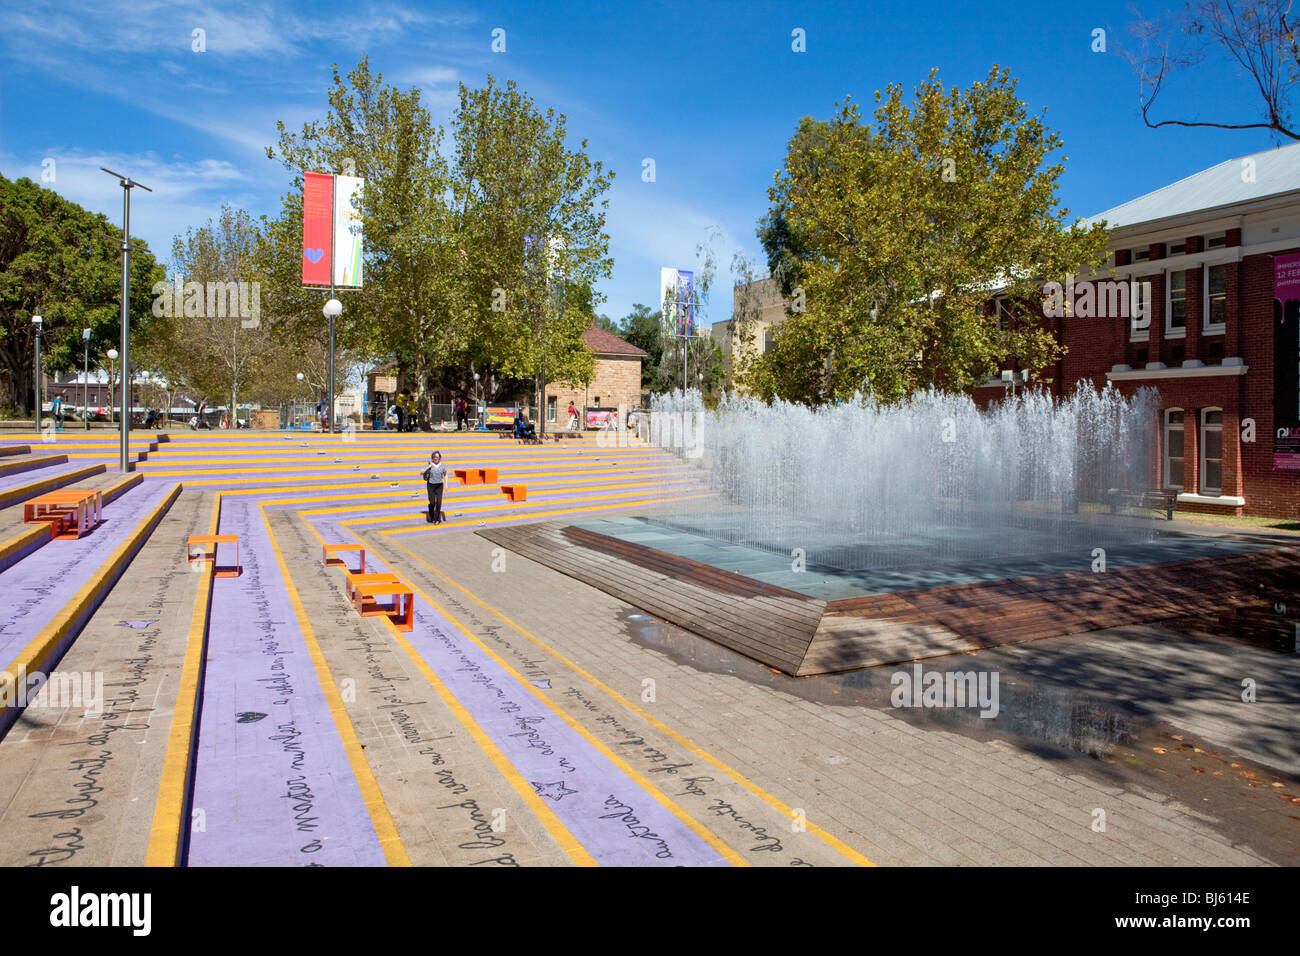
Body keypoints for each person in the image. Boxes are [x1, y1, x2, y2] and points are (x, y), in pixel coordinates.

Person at [421, 451, 447, 524]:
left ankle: (437, 519)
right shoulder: (429, 464)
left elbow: (445, 474)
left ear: (440, 458)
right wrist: (428, 467)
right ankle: (431, 513)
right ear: (432, 458)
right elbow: (421, 472)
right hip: (431, 485)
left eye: (437, 457)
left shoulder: (442, 465)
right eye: (434, 457)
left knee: (439, 502)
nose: (436, 459)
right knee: (432, 502)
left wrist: (446, 484)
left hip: (439, 485)